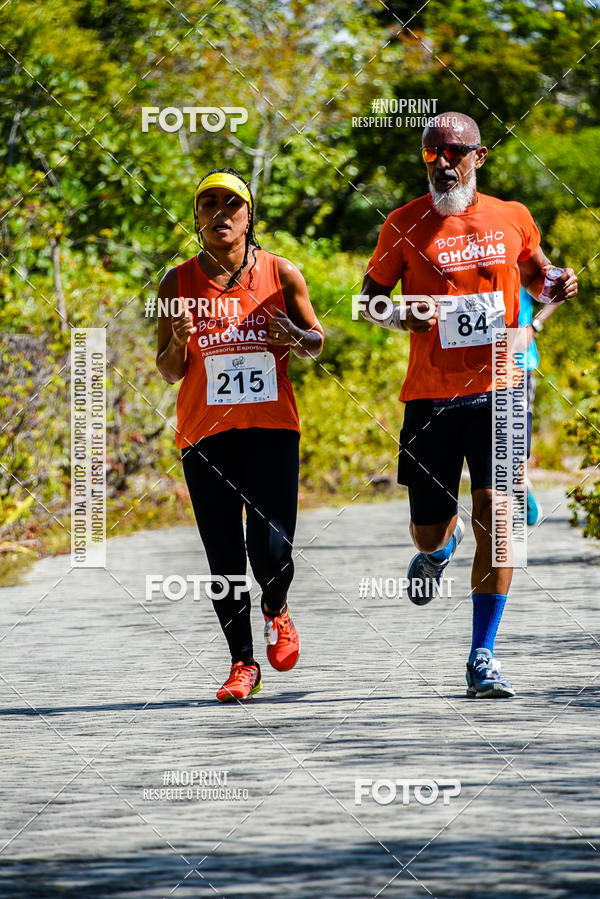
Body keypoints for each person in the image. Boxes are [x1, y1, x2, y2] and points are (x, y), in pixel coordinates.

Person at [360, 112, 577, 698]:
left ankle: (483, 654)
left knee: (499, 518)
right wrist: (402, 313)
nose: (443, 163)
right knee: (428, 531)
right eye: (433, 154)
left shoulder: (513, 217)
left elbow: (536, 277)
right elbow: (368, 303)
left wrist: (556, 281)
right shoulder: (402, 225)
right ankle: (438, 553)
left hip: (500, 390)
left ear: (479, 157)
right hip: (430, 396)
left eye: (455, 152)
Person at [156, 168, 324, 702]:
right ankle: (242, 664)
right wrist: (179, 342)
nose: (220, 214)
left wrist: (293, 335)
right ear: (197, 218)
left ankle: (276, 609)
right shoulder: (176, 282)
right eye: (209, 205)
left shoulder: (281, 272)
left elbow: (316, 342)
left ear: (250, 217)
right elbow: (166, 369)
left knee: (270, 547)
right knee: (223, 555)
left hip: (272, 430)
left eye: (232, 205)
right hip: (205, 436)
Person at [518, 284, 563, 525]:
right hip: (471, 366)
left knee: (514, 448)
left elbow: (561, 289)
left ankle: (519, 484)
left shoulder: (520, 252)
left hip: (517, 362)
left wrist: (534, 326)